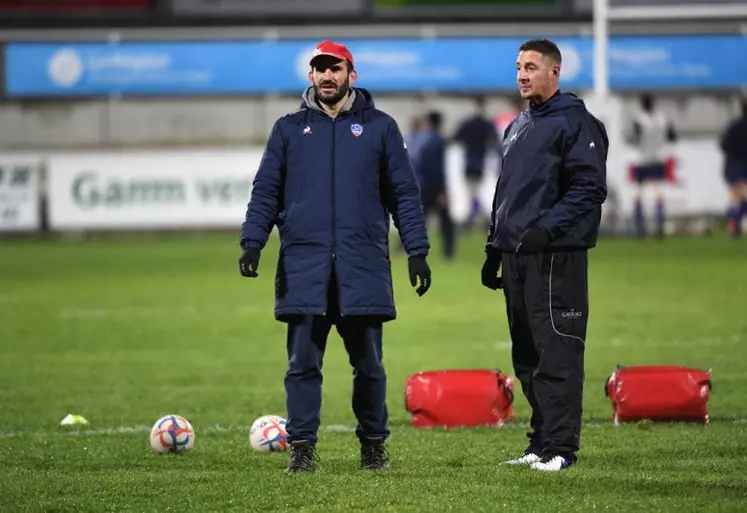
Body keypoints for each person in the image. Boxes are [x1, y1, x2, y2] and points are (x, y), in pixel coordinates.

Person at [238, 39, 432, 474]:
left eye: (336, 68)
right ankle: (302, 450)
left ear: (352, 75)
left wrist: (416, 250)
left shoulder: (381, 127)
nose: (328, 76)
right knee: (302, 366)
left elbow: (404, 193)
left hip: (361, 266)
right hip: (304, 267)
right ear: (311, 76)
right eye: (320, 69)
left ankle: (373, 448)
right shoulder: (288, 129)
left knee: (369, 366)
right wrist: (253, 240)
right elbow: (266, 189)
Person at [481, 38, 608, 471]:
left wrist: (545, 231)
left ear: (554, 72)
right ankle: (539, 442)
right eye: (518, 66)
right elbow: (508, 193)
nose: (522, 74)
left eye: (531, 66)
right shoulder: (518, 124)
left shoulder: (576, 123)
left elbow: (590, 189)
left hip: (556, 257)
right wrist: (494, 248)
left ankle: (561, 449)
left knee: (558, 352)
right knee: (528, 356)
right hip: (518, 257)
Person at [627, 94, 678, 239]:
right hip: (658, 159)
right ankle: (659, 228)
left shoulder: (638, 120)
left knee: (637, 194)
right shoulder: (662, 119)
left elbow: (632, 139)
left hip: (641, 160)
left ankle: (640, 230)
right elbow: (673, 136)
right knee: (659, 194)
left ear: (642, 104)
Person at [412, 110, 455, 260]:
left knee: (420, 218)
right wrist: (442, 190)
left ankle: (411, 247)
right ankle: (448, 252)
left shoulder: (422, 139)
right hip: (433, 185)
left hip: (423, 184)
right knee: (445, 220)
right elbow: (437, 167)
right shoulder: (437, 140)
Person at [453, 96, 500, 232]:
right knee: (477, 190)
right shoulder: (486, 124)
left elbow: (456, 137)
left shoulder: (467, 123)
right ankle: (480, 217)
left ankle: (473, 217)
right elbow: (495, 140)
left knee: (472, 190)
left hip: (469, 160)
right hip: (481, 160)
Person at [719, 99, 747, 238]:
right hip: (742, 164)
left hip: (733, 165)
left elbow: (723, 144)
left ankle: (733, 226)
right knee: (740, 194)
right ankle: (734, 226)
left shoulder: (732, 126)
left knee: (736, 195)